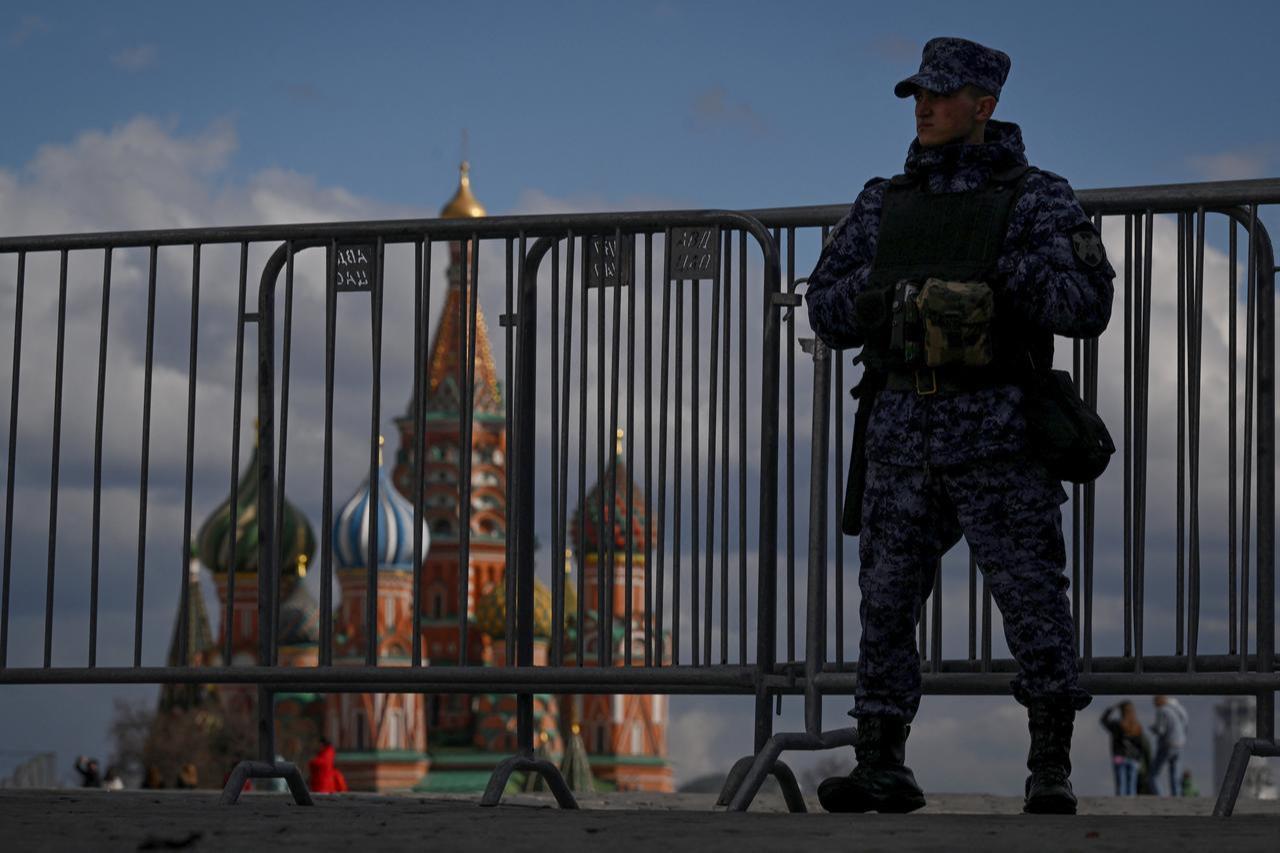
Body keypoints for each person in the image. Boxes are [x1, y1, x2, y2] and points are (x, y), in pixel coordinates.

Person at [806, 37, 1114, 816]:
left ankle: (1050, 764)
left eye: (942, 95)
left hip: (999, 432)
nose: (925, 107)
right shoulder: (885, 201)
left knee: (1033, 598)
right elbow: (824, 304)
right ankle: (881, 760)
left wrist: (998, 270)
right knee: (884, 601)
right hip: (902, 430)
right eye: (918, 95)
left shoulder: (1036, 196)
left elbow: (1087, 305)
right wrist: (880, 300)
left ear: (986, 105)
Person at [1100, 702, 1145, 795]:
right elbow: (1141, 745)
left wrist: (1112, 708)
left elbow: (1103, 721)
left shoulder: (1117, 725)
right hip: (1134, 758)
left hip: (1119, 757)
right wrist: (1139, 758)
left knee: (1121, 785)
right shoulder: (1137, 726)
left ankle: (1120, 805)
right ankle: (1131, 807)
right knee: (1131, 786)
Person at [1149, 695, 1189, 796]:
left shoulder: (1162, 711)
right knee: (1175, 773)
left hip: (1167, 744)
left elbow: (1161, 730)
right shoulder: (1176, 709)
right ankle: (1177, 796)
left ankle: (1160, 795)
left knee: (1154, 774)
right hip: (1179, 743)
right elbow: (1185, 720)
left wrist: (1153, 728)